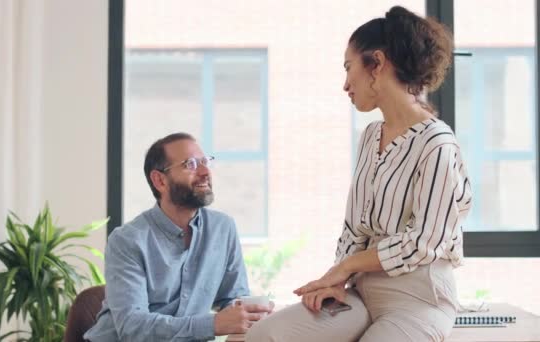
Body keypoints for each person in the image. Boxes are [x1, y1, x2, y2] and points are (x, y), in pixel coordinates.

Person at [246, 6, 472, 342]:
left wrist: (348, 267)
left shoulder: (437, 143)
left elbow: (424, 244)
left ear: (377, 64)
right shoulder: (369, 137)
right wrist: (335, 280)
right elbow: (354, 227)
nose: (345, 84)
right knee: (267, 335)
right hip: (360, 292)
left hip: (418, 298)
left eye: (349, 67)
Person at [84, 133, 272, 342]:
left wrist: (251, 313)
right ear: (160, 180)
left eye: (205, 161)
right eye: (190, 164)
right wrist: (214, 324)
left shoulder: (223, 228)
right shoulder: (127, 240)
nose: (204, 171)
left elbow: (232, 299)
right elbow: (133, 327)